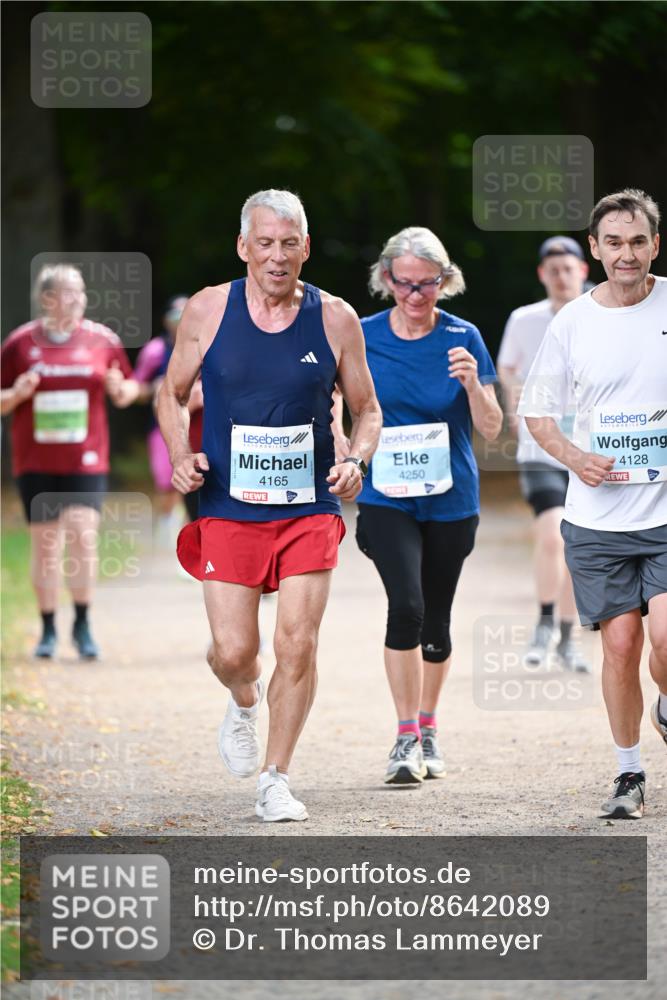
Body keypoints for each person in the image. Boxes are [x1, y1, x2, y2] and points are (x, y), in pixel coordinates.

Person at [157, 189, 381, 822]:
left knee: (298, 644)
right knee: (234, 652)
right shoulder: (208, 309)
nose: (277, 257)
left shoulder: (335, 317)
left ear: (305, 248)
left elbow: (367, 408)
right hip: (229, 504)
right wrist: (180, 453)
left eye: (288, 244)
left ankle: (275, 778)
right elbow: (171, 393)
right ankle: (243, 699)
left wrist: (357, 461)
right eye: (265, 243)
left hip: (309, 505)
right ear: (243, 247)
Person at [519, 188, 667, 819]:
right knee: (621, 647)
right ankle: (629, 773)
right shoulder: (573, 322)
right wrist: (576, 458)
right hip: (597, 519)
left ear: (655, 243)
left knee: (666, 639)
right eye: (614, 242)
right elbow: (536, 414)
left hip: (664, 514)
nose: (626, 254)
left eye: (637, 241)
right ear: (595, 249)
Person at [337, 226, 502, 785]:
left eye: (426, 283)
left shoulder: (463, 336)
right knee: (405, 605)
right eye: (404, 283)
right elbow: (334, 401)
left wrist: (473, 385)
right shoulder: (362, 335)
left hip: (451, 499)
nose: (414, 294)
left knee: (436, 617)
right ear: (387, 279)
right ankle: (405, 736)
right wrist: (343, 450)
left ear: (444, 280)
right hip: (386, 496)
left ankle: (429, 726)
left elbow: (492, 427)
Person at [0, 264, 137, 659]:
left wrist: (120, 389)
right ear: (47, 299)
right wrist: (17, 394)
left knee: (82, 534)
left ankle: (82, 623)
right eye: (69, 292)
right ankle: (47, 629)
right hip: (36, 460)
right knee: (46, 544)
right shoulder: (20, 344)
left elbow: (128, 388)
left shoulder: (102, 340)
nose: (79, 299)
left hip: (85, 461)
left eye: (81, 291)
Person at [497, 237, 591, 671]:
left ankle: (568, 638)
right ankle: (544, 622)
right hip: (539, 446)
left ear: (583, 271)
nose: (561, 276)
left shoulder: (600, 316)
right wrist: (514, 399)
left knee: (575, 543)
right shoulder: (524, 319)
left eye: (568, 268)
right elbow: (507, 367)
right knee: (552, 535)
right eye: (553, 270)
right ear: (542, 275)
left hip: (588, 449)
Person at [132, 295, 202, 535]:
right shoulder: (155, 351)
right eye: (175, 316)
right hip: (162, 426)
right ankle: (168, 526)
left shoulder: (206, 345)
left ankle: (188, 530)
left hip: (199, 426)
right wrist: (156, 389)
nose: (180, 321)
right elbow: (137, 388)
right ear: (165, 320)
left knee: (195, 481)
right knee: (168, 482)